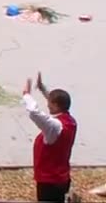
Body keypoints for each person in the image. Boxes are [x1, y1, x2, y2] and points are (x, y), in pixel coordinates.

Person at [23, 73, 77, 203]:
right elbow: (55, 102)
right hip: (62, 177)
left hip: (49, 181)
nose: (47, 105)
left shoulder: (53, 127)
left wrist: (26, 95)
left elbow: (34, 113)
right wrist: (42, 88)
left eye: (50, 103)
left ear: (56, 105)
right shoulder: (69, 121)